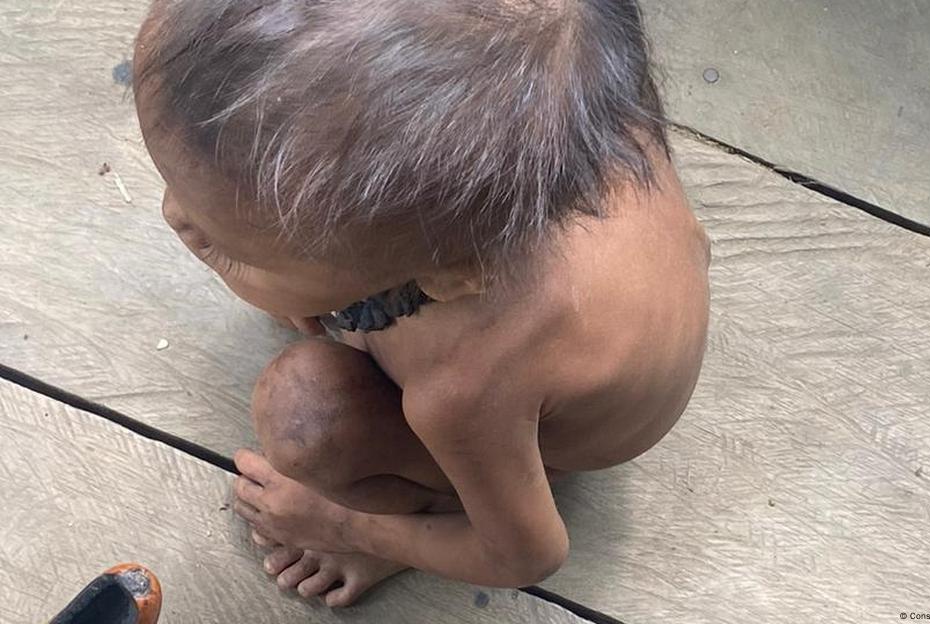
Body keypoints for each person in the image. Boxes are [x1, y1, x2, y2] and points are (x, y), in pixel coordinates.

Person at [133, 0, 709, 608]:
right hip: (629, 280)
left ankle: (423, 519)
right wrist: (287, 274)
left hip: (556, 437)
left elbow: (528, 554)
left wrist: (343, 525)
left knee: (306, 417)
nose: (173, 217)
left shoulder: (464, 388)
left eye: (222, 248)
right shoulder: (570, 84)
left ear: (442, 278)